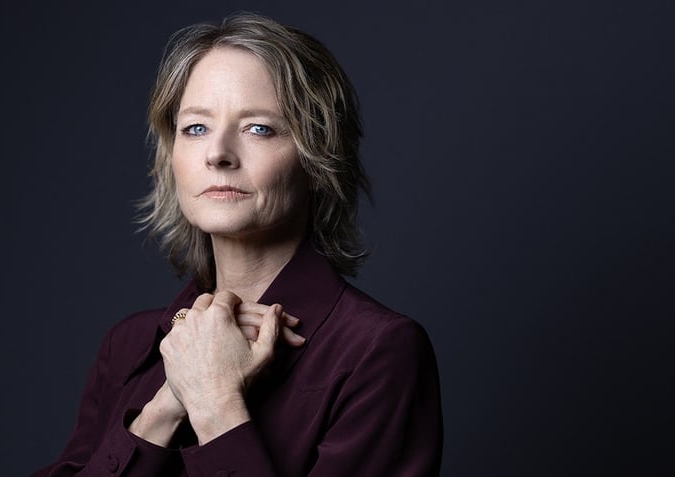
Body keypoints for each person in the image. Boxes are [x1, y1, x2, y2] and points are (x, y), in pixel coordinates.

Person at [31, 12, 443, 477]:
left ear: (317, 157)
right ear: (172, 157)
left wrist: (213, 402)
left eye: (259, 128)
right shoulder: (127, 347)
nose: (218, 153)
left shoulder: (377, 352)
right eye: (196, 128)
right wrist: (163, 408)